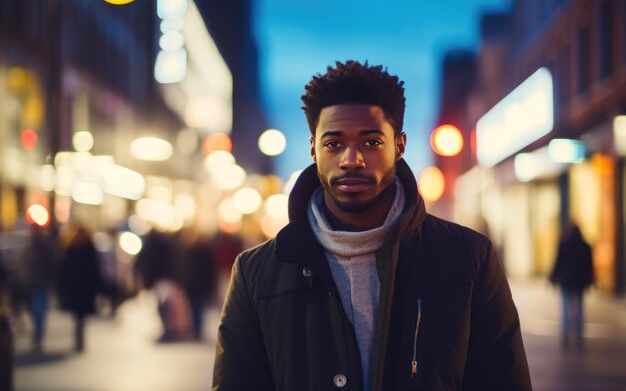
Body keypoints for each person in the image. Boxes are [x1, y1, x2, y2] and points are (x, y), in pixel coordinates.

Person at [212, 61, 532, 391]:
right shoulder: (256, 274)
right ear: (313, 149)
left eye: (372, 142)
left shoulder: (468, 259)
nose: (352, 159)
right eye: (333, 144)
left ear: (400, 146)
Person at [549, 222, 594, 350]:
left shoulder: (564, 245)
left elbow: (557, 262)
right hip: (579, 282)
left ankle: (565, 333)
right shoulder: (585, 246)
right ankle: (579, 333)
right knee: (579, 307)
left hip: (566, 281)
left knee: (565, 308)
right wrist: (590, 279)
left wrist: (553, 277)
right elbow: (589, 266)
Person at [57, 226, 102, 352]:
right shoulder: (71, 250)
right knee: (77, 315)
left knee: (81, 316)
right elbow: (64, 269)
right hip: (75, 288)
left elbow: (95, 270)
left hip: (85, 289)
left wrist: (97, 287)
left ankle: (80, 340)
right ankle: (78, 339)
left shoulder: (89, 250)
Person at [19, 224, 56, 351]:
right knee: (34, 311)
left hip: (41, 284)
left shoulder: (46, 247)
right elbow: (22, 265)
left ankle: (38, 337)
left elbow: (52, 265)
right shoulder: (28, 247)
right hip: (31, 284)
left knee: (39, 311)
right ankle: (37, 334)